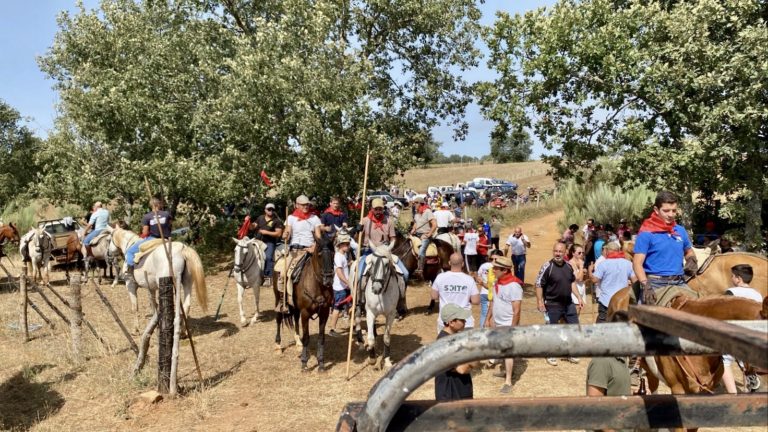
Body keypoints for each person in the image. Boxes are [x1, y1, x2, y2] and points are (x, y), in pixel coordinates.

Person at [633, 190, 698, 306]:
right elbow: (637, 263)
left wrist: (692, 258)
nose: (671, 214)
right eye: (666, 211)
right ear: (656, 210)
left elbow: (688, 250)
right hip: (655, 283)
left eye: (674, 211)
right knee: (646, 319)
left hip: (679, 282)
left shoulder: (680, 230)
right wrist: (645, 285)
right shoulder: (646, 233)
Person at [535, 241, 583, 366]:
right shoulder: (547, 266)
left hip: (568, 303)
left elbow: (572, 282)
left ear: (565, 252)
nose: (557, 254)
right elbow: (539, 284)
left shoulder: (568, 266)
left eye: (560, 251)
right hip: (552, 304)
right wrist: (540, 301)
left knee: (574, 327)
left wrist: (578, 296)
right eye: (555, 251)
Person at [720, 264, 762, 393]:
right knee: (745, 361)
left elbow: (724, 314)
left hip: (734, 334)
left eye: (732, 276)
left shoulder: (731, 292)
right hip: (752, 335)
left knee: (724, 361)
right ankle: (749, 386)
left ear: (738, 279)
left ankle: (733, 393)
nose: (732, 278)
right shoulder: (758, 295)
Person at [484, 256, 523, 393]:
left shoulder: (514, 286)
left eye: (496, 268)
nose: (493, 270)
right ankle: (506, 372)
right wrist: (488, 319)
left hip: (507, 325)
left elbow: (516, 310)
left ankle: (508, 381)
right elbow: (493, 302)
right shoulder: (497, 282)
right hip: (497, 323)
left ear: (505, 270)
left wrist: (512, 328)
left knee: (508, 353)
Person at [358, 198, 409, 284]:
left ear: (383, 209)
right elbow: (358, 236)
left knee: (406, 274)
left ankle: (401, 296)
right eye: (376, 209)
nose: (378, 211)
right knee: (359, 276)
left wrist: (391, 245)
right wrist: (357, 229)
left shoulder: (389, 221)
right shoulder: (365, 220)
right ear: (371, 209)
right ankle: (360, 296)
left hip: (385, 252)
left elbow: (393, 237)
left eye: (380, 209)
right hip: (369, 251)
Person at [434, 303, 478, 401]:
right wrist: (474, 355)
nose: (465, 321)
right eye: (461, 320)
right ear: (451, 322)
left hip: (459, 392)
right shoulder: (444, 343)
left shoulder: (454, 338)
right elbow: (462, 369)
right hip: (451, 396)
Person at [125, 197, 172, 282]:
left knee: (130, 251)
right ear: (159, 205)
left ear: (151, 206)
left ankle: (130, 274)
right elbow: (169, 226)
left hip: (153, 239)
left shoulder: (147, 216)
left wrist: (141, 235)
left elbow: (145, 233)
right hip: (166, 239)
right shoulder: (167, 214)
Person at [431, 253, 480, 333]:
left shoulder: (440, 277)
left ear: (449, 263)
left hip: (446, 320)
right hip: (464, 322)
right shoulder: (469, 279)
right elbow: (476, 301)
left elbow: (433, 296)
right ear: (463, 264)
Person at [592, 242, 636, 323]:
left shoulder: (603, 264)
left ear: (607, 251)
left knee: (602, 326)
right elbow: (635, 281)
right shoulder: (628, 263)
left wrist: (589, 271)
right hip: (624, 302)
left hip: (606, 300)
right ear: (618, 250)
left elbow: (594, 280)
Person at [250, 203, 284, 282]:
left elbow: (279, 233)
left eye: (272, 209)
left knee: (268, 257)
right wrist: (248, 222)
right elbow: (252, 227)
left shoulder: (277, 221)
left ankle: (268, 276)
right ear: (265, 210)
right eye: (269, 209)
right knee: (247, 253)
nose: (271, 211)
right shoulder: (260, 218)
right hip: (257, 240)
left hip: (269, 242)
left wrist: (266, 232)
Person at [328, 233, 352, 337]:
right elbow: (338, 271)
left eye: (347, 244)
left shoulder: (343, 256)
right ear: (340, 245)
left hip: (345, 287)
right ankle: (332, 329)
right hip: (340, 288)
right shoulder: (338, 256)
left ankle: (354, 327)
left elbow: (343, 267)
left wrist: (350, 263)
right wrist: (347, 282)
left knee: (351, 306)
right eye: (345, 244)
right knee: (337, 308)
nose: (347, 245)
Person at [476, 249, 503, 329]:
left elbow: (478, 276)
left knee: (484, 314)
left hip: (484, 293)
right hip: (492, 293)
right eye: (492, 259)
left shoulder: (484, 265)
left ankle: (482, 331)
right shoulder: (499, 268)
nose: (493, 261)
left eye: (495, 259)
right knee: (493, 315)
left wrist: (480, 281)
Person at [410, 196, 437, 276]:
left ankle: (420, 269)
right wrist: (413, 229)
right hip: (416, 234)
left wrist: (429, 234)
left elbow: (434, 225)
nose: (414, 205)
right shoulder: (417, 213)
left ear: (420, 203)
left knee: (421, 250)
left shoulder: (428, 212)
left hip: (425, 235)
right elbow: (416, 224)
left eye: (415, 203)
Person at [568, 243, 587, 315]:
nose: (581, 254)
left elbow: (584, 279)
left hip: (581, 289)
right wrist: (581, 267)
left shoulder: (580, 262)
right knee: (574, 315)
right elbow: (578, 278)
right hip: (574, 292)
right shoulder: (571, 264)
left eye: (582, 252)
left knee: (577, 313)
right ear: (573, 253)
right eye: (579, 253)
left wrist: (587, 273)